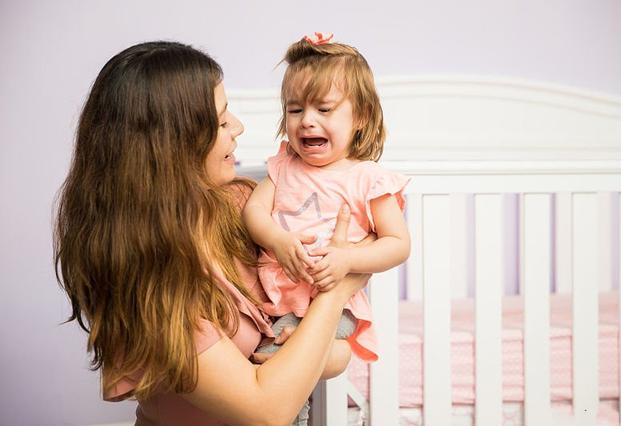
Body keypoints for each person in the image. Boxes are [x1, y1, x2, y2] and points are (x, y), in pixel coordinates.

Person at [53, 40, 371, 426]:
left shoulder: (241, 206)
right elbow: (266, 409)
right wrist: (336, 291)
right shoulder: (147, 277)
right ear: (172, 145)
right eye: (221, 122)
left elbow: (334, 349)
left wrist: (312, 348)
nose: (238, 127)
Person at [243, 31, 410, 387]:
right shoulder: (284, 166)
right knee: (258, 364)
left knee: (276, 367)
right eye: (295, 109)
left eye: (324, 109)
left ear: (361, 117)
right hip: (273, 300)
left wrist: (348, 260)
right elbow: (253, 210)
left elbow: (398, 242)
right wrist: (276, 239)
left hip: (329, 306)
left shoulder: (367, 179)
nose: (307, 120)